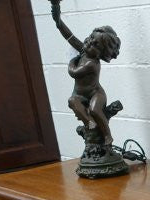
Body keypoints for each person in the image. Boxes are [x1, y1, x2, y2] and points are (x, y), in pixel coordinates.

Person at [51, 1, 121, 146]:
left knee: (95, 109)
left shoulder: (92, 63)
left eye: (96, 45)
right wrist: (57, 13)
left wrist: (72, 60)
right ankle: (90, 125)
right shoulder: (84, 50)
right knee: (72, 101)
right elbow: (67, 34)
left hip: (96, 94)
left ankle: (108, 135)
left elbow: (73, 72)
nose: (89, 44)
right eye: (90, 39)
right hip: (80, 94)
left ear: (102, 52)